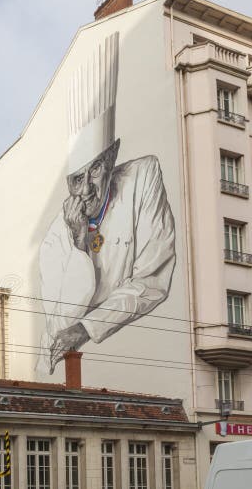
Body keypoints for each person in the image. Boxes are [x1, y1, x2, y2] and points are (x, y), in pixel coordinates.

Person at [37, 31, 175, 376]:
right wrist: (80, 244)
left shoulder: (143, 175)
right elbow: (62, 319)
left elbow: (152, 281)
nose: (84, 189)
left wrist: (87, 328)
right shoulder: (56, 236)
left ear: (112, 157)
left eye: (95, 169)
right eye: (75, 179)